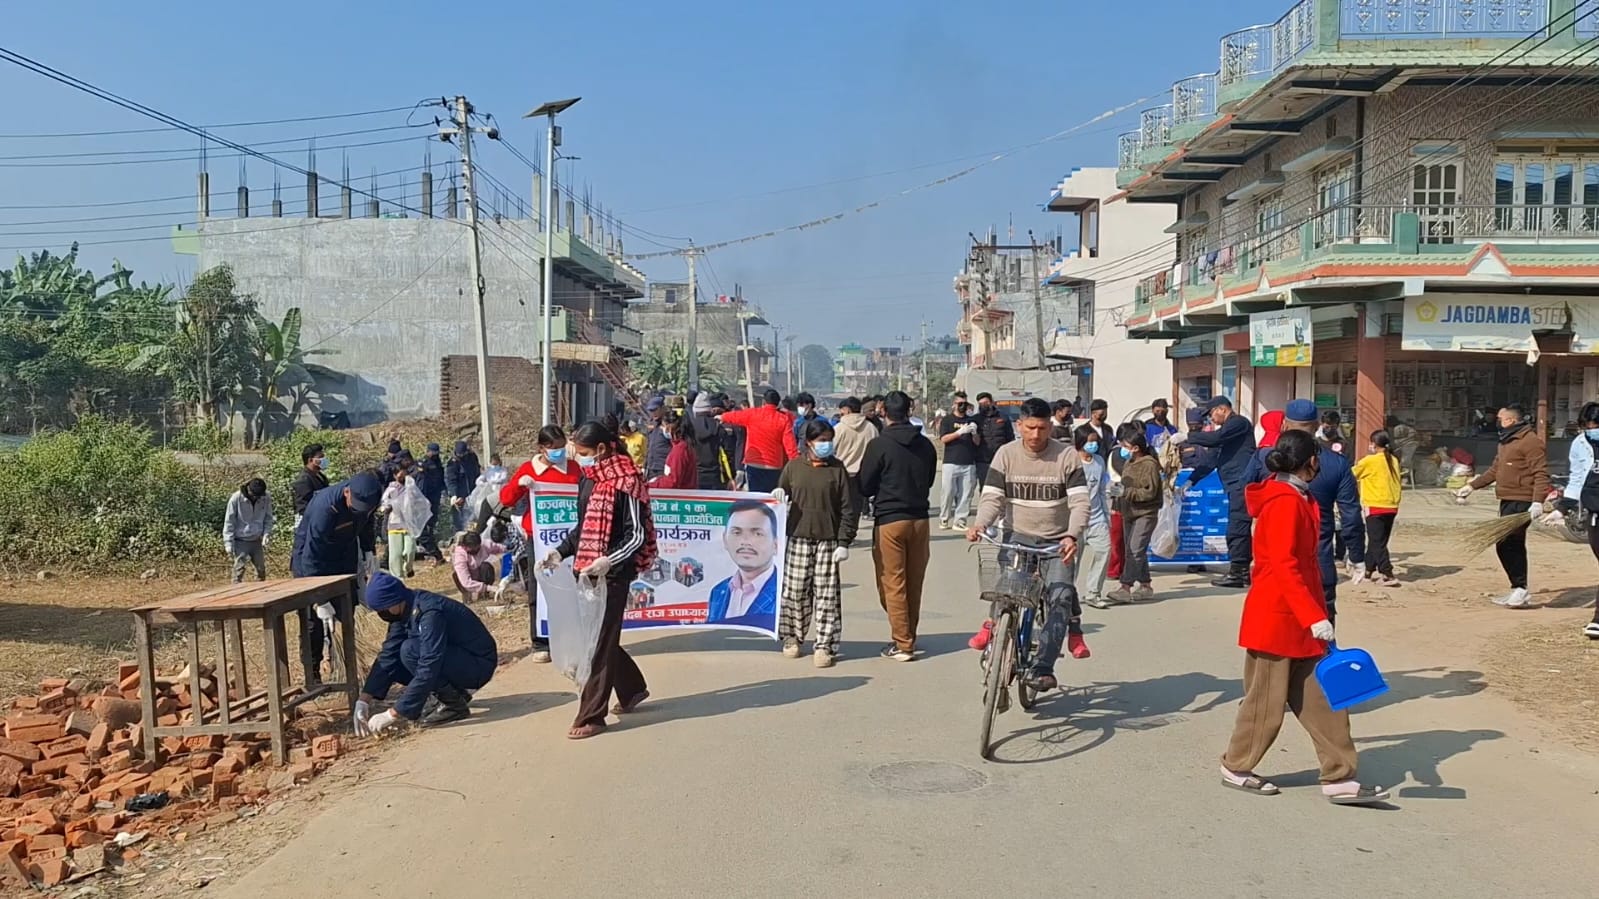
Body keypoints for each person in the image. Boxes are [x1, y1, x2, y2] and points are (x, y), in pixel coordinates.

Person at [1218, 430, 1389, 807]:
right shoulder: (1284, 502)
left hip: (1301, 618)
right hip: (1277, 618)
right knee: (1265, 703)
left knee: (1323, 700)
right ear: (1311, 461)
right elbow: (1284, 565)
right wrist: (1314, 615)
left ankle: (1339, 775)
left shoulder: (1296, 496)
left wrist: (1315, 614)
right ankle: (1236, 765)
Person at [542, 421, 657, 740]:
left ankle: (592, 714)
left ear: (602, 449)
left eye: (584, 452)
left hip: (613, 573)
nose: (580, 458)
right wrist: (559, 551)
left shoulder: (627, 481)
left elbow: (636, 536)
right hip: (586, 571)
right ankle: (632, 689)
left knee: (598, 643)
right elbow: (582, 528)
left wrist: (609, 561)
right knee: (599, 637)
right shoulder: (589, 478)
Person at [965, 397, 1091, 686]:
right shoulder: (1006, 454)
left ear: (1051, 427)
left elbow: (1080, 503)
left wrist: (1072, 535)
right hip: (1017, 537)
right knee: (1005, 590)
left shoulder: (1066, 456)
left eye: (1042, 428)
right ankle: (995, 627)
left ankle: (1043, 667)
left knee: (1060, 599)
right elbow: (992, 497)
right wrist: (980, 524)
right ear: (1019, 425)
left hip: (1057, 541)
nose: (1036, 434)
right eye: (1030, 427)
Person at [1244, 400, 1365, 622]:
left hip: (1275, 572)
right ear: (1317, 425)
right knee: (1321, 633)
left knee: (1281, 634)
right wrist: (1356, 555)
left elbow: (1242, 497)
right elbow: (1350, 514)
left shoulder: (1266, 459)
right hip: (1319, 564)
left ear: (1284, 425)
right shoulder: (1336, 463)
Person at [354, 571, 498, 733]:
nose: (381, 615)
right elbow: (388, 654)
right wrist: (364, 700)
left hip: (478, 664)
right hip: (458, 658)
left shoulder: (430, 613)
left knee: (410, 650)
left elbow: (430, 663)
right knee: (398, 658)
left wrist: (393, 713)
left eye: (382, 609)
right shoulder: (403, 609)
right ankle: (454, 694)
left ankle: (454, 705)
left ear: (393, 602)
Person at [773, 419, 860, 666]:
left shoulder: (837, 469)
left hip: (828, 540)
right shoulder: (793, 468)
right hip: (798, 537)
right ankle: (792, 637)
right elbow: (780, 496)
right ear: (809, 442)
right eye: (822, 440)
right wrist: (777, 497)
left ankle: (824, 645)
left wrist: (844, 541)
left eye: (829, 440)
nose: (827, 445)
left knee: (826, 595)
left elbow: (848, 508)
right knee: (794, 592)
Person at [860, 390, 938, 661]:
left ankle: (903, 642)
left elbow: (865, 485)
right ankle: (908, 634)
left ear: (883, 412)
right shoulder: (925, 445)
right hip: (920, 519)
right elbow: (929, 480)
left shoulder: (879, 445)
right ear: (910, 410)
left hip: (890, 520)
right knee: (914, 582)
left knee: (892, 583)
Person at [1456, 403, 1552, 608]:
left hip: (1522, 499)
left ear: (1511, 420)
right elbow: (1494, 470)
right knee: (1507, 544)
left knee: (1509, 543)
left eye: (1500, 419)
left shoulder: (1530, 442)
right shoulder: (1505, 441)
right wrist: (1471, 486)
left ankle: (1520, 589)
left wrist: (1537, 501)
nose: (1497, 421)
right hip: (1507, 498)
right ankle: (1518, 588)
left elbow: (1541, 473)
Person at [292, 471, 384, 685]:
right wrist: (320, 600)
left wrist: (368, 551)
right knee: (314, 623)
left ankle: (343, 669)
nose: (358, 511)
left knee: (345, 614)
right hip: (312, 564)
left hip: (343, 560)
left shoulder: (368, 499)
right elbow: (310, 556)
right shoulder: (324, 508)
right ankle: (312, 675)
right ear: (347, 492)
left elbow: (366, 523)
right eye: (355, 507)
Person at [501, 425, 581, 663]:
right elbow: (506, 499)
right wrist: (520, 485)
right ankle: (540, 641)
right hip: (539, 539)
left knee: (573, 585)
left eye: (562, 447)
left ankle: (572, 636)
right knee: (539, 587)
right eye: (554, 448)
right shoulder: (529, 469)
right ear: (541, 448)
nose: (559, 452)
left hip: (570, 537)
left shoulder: (574, 469)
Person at [1183, 396, 1257, 588]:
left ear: (1222, 409)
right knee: (1236, 528)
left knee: (1237, 527)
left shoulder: (1238, 423)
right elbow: (1211, 459)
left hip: (1241, 482)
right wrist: (1191, 480)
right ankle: (1239, 571)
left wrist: (1189, 437)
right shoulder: (1226, 432)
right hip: (1233, 484)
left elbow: (1216, 439)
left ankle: (1239, 573)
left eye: (1211, 415)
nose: (1211, 420)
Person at [1107, 425, 1162, 604]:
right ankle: (1145, 585)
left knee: (1134, 550)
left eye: (1125, 446)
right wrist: (1118, 493)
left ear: (1136, 448)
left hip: (1145, 513)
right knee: (1135, 550)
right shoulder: (1129, 463)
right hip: (1128, 511)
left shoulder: (1149, 465)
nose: (1122, 449)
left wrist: (1127, 492)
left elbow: (1149, 492)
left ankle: (1125, 587)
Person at [1558, 402, 1599, 639]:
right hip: (1595, 512)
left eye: (1595, 426)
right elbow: (1576, 478)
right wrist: (1563, 507)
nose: (1591, 430)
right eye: (1587, 426)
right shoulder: (1580, 444)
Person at [706, 500, 781, 624]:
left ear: (775, 544)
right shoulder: (718, 591)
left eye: (757, 534)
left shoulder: (783, 591)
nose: (745, 541)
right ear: (725, 540)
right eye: (737, 533)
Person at [719, 389, 799, 493]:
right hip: (773, 466)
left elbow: (735, 416)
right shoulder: (784, 420)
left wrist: (722, 417)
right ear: (778, 403)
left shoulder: (753, 413)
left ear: (763, 401)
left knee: (755, 496)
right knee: (771, 497)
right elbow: (790, 447)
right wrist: (797, 465)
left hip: (753, 464)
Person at [1352, 429, 1403, 588]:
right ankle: (1368, 570)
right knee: (1379, 541)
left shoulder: (1370, 461)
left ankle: (1387, 573)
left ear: (1374, 444)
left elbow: (1352, 474)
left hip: (1375, 505)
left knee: (1377, 542)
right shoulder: (1393, 460)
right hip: (1391, 505)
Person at [1073, 424, 1115, 612]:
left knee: (1103, 551)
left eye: (1095, 442)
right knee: (1072, 560)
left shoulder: (1099, 461)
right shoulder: (1071, 461)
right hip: (1075, 519)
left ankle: (1093, 593)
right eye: (1090, 442)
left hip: (1097, 518)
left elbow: (1102, 490)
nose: (1093, 445)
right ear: (1080, 442)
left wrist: (1107, 515)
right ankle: (1067, 594)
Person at [937, 395, 981, 529]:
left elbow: (977, 442)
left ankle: (960, 521)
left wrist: (974, 433)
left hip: (968, 462)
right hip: (951, 461)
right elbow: (943, 439)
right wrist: (959, 432)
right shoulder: (947, 420)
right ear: (954, 404)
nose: (962, 406)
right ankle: (944, 518)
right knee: (948, 492)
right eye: (959, 403)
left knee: (966, 494)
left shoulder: (971, 420)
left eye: (964, 403)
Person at [223, 477, 274, 584]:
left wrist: (266, 534)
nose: (257, 498)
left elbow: (268, 518)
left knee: (261, 569)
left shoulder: (265, 497)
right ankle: (235, 590)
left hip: (257, 540)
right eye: (255, 495)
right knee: (239, 570)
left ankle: (260, 589)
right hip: (241, 540)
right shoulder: (236, 499)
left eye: (259, 496)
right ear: (249, 490)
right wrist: (228, 543)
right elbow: (229, 521)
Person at [832, 397, 876, 514]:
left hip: (842, 474)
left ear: (847, 410)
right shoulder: (871, 428)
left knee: (841, 511)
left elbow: (830, 451)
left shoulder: (838, 429)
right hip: (863, 476)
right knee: (855, 510)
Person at [688, 392, 732, 491]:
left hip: (694, 475)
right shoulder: (719, 427)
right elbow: (728, 453)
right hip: (716, 475)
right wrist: (730, 476)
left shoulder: (689, 429)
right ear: (709, 410)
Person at [415, 443, 447, 565]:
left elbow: (441, 479)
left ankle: (430, 544)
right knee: (423, 524)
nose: (435, 455)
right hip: (425, 498)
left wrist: (443, 492)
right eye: (433, 452)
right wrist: (422, 499)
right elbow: (422, 484)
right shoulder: (423, 463)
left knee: (432, 521)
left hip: (435, 497)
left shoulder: (438, 463)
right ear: (428, 451)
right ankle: (425, 547)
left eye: (436, 452)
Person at [973, 392, 1014, 488]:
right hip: (983, 460)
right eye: (980, 404)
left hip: (1000, 458)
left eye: (985, 403)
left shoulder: (1003, 417)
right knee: (985, 487)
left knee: (1001, 486)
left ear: (991, 402)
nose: (983, 405)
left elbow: (1010, 437)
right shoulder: (975, 419)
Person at [451, 530, 505, 603]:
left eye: (477, 547)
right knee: (456, 575)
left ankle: (483, 594)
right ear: (465, 547)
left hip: (481, 574)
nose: (476, 550)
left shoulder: (484, 545)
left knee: (486, 566)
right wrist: (490, 588)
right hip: (468, 578)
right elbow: (466, 582)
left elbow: (501, 548)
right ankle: (467, 595)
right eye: (472, 548)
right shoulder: (460, 555)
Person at [444, 440, 482, 534]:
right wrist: (454, 495)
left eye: (463, 454)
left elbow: (477, 471)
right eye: (459, 454)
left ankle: (472, 536)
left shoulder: (472, 457)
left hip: (473, 493)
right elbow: (451, 480)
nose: (461, 456)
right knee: (460, 522)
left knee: (474, 519)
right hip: (460, 497)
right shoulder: (452, 463)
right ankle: (460, 537)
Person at [650, 414, 698, 490]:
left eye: (663, 426)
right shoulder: (682, 446)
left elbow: (673, 481)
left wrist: (653, 484)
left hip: (680, 493)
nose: (661, 428)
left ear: (669, 428)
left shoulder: (680, 450)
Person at [290, 444, 328, 528]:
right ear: (310, 460)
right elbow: (303, 507)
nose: (324, 460)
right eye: (320, 457)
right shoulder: (303, 480)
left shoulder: (321, 476)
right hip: (308, 524)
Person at [643, 397, 672, 481]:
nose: (653, 413)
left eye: (655, 410)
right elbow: (648, 447)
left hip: (663, 467)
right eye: (651, 411)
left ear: (662, 408)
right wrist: (645, 466)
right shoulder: (651, 424)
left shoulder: (668, 424)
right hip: (651, 468)